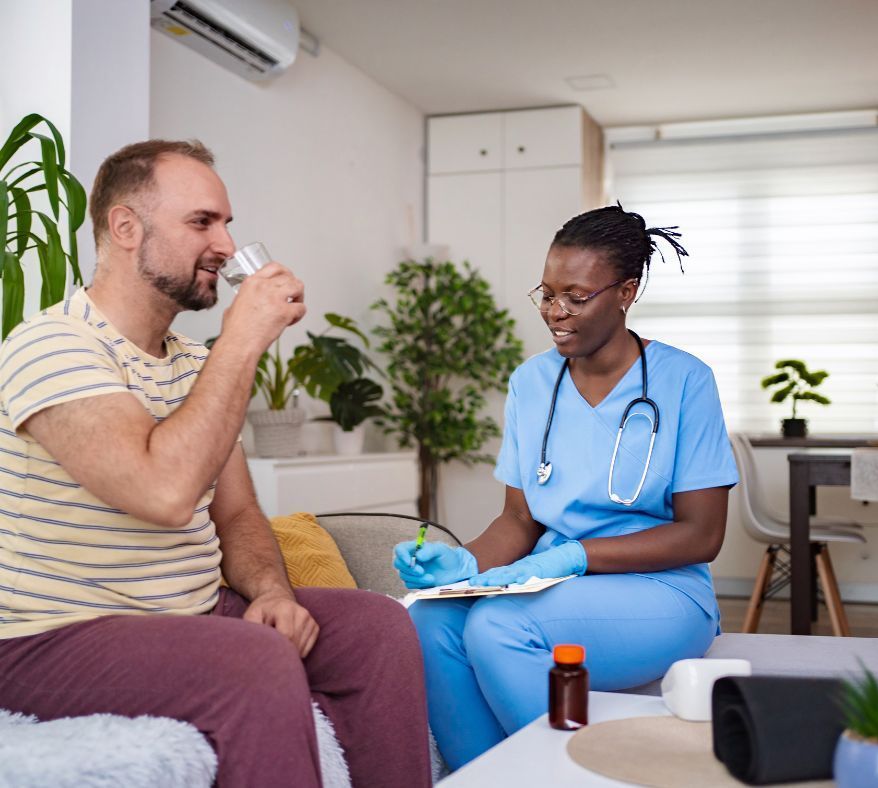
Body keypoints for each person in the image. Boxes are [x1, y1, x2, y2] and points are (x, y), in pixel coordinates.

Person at [0, 139, 431, 788]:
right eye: (202, 222)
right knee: (254, 660)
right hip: (53, 636)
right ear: (126, 227)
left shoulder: (195, 365)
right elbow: (164, 492)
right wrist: (242, 338)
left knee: (379, 627)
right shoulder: (53, 345)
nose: (227, 245)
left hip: (195, 616)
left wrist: (274, 594)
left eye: (227, 224)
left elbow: (236, 513)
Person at [394, 205, 739, 768]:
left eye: (576, 298)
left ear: (626, 292)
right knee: (429, 622)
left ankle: (573, 774)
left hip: (662, 589)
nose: (556, 312)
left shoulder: (685, 381)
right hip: (551, 581)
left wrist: (577, 555)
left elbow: (703, 536)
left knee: (498, 627)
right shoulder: (531, 383)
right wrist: (462, 564)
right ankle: (487, 777)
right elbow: (519, 520)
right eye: (548, 294)